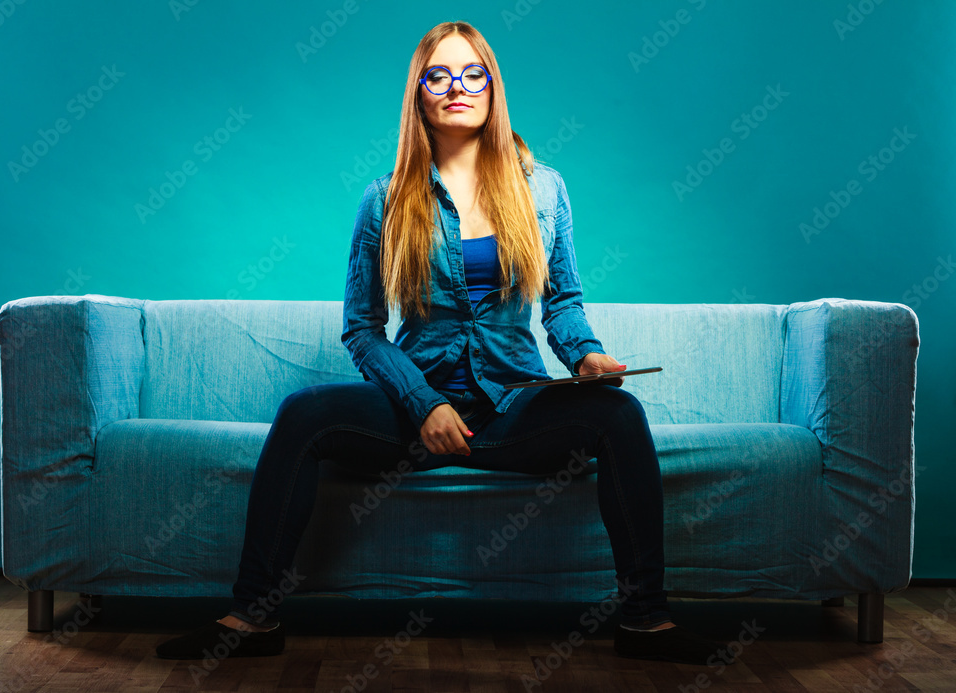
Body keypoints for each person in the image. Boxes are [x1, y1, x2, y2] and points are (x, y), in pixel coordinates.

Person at [156, 20, 720, 666]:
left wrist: (586, 354)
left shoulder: (545, 190)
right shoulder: (386, 199)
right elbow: (362, 329)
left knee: (620, 414)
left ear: (492, 86)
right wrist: (423, 403)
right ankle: (251, 616)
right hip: (413, 408)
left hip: (512, 409)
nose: (458, 87)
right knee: (302, 413)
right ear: (419, 93)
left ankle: (647, 619)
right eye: (440, 75)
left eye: (473, 72)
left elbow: (562, 303)